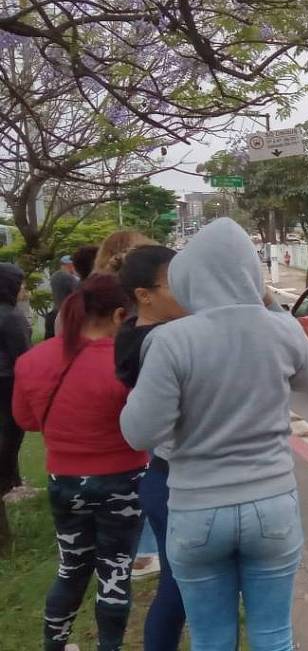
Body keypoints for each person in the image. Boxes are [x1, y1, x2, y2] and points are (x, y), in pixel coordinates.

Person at [119, 219, 308, 651]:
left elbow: (139, 433)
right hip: (273, 503)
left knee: (212, 638)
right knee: (274, 634)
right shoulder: (280, 327)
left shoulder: (172, 340)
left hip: (197, 507)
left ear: (189, 277)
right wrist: (268, 304)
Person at [14, 274, 148, 651]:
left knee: (71, 569)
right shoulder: (127, 363)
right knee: (115, 571)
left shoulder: (33, 360)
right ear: (120, 315)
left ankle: (54, 645)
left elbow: (25, 420)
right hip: (125, 479)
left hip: (65, 481)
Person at [115, 246, 188, 651]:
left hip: (161, 474)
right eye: (175, 283)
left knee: (176, 586)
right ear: (145, 295)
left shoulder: (132, 330)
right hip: (174, 478)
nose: (186, 291)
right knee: (178, 589)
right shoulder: (161, 342)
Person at [0, 264, 30, 495]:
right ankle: (7, 483)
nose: (25, 289)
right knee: (11, 433)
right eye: (21, 283)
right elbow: (24, 355)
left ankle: (14, 480)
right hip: (8, 381)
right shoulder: (12, 317)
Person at [45, 255, 80, 339]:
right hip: (66, 311)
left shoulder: (54, 277)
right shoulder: (72, 279)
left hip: (56, 311)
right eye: (70, 265)